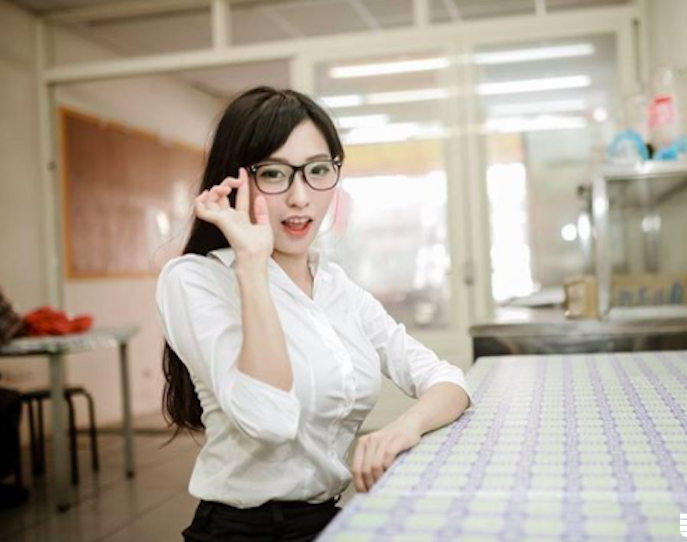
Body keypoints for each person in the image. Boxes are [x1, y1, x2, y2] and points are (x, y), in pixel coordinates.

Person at [155, 87, 475, 542]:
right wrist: (252, 262)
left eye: (318, 170)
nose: (301, 197)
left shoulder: (336, 287)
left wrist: (404, 428)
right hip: (241, 532)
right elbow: (269, 421)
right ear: (235, 181)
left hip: (328, 519)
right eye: (274, 174)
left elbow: (447, 380)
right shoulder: (194, 280)